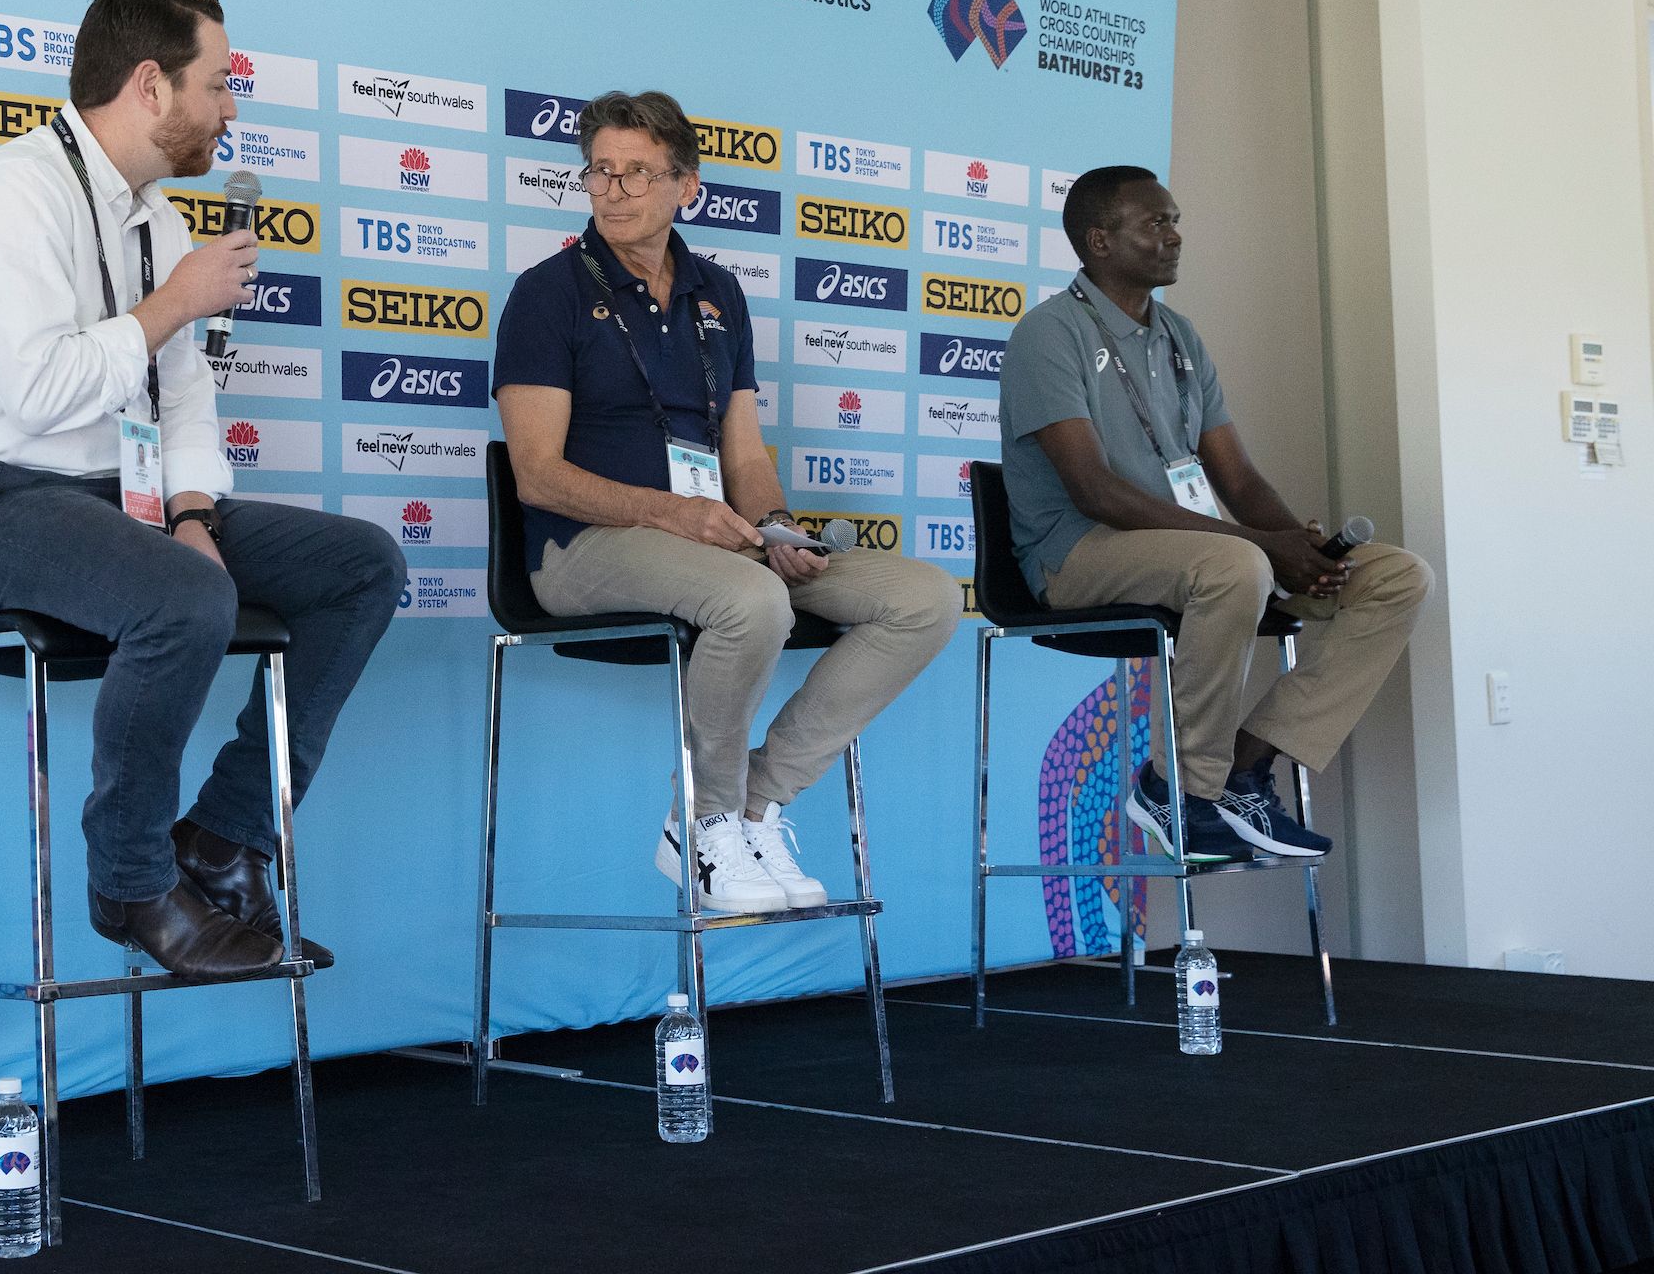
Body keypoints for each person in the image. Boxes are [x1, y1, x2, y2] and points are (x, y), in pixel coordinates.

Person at [0, 0, 405, 981]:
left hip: (118, 504)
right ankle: (132, 882)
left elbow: (184, 395)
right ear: (152, 86)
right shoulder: (11, 197)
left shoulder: (158, 222)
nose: (231, 109)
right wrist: (174, 304)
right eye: (219, 84)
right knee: (186, 595)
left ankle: (227, 839)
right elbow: (37, 392)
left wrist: (195, 508)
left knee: (363, 565)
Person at [493, 91, 962, 914]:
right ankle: (702, 823)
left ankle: (752, 803)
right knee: (750, 599)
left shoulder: (720, 292)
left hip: (718, 539)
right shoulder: (548, 292)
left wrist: (776, 529)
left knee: (922, 598)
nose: (615, 189)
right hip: (583, 547)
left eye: (638, 172)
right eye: (600, 170)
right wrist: (677, 516)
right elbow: (537, 475)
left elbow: (743, 453)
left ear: (687, 187)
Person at [998, 165, 1434, 862]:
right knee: (1236, 564)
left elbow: (1236, 474)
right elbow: (1093, 490)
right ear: (1099, 241)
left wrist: (1297, 544)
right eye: (1156, 223)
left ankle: (1244, 764)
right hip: (1078, 554)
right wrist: (1260, 545)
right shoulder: (1049, 335)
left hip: (1196, 551)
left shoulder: (1179, 336)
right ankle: (1182, 794)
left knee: (1397, 577)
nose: (1174, 236)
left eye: (1175, 220)